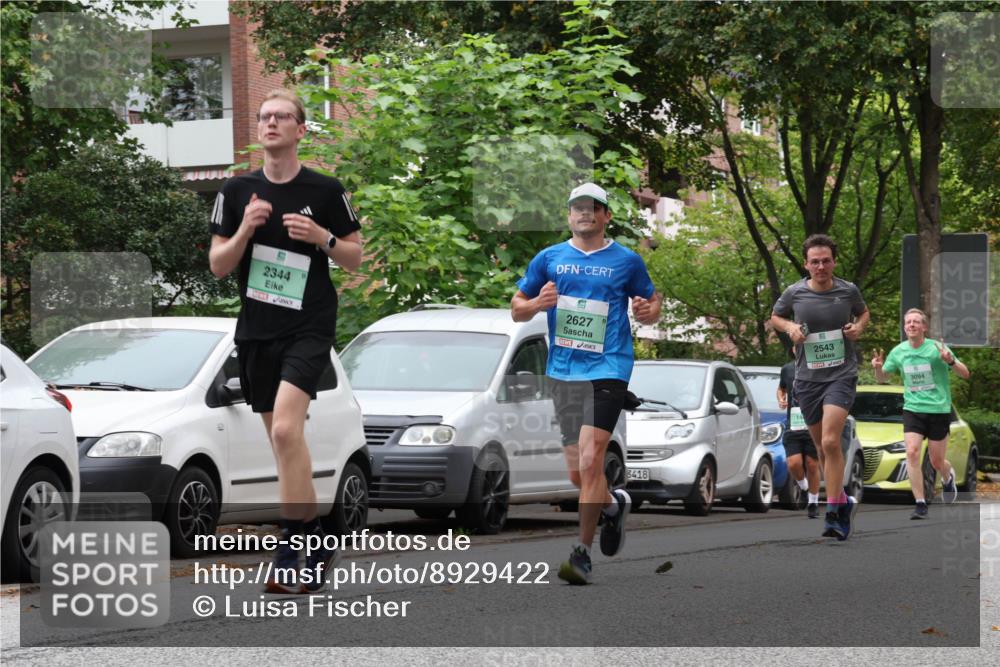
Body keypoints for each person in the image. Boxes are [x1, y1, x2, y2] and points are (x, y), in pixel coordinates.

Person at [209, 89, 363, 593]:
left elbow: (355, 258)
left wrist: (323, 238)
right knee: (285, 446)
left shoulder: (324, 190)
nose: (271, 123)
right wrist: (246, 231)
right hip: (258, 329)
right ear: (258, 129)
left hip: (309, 325)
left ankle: (289, 547)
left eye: (282, 117)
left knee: (284, 434)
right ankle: (316, 541)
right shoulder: (236, 192)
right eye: (264, 117)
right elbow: (218, 264)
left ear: (300, 129)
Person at [511, 182, 662, 584]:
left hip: (609, 367)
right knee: (578, 475)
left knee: (592, 459)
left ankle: (582, 553)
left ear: (605, 216)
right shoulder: (549, 258)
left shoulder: (626, 261)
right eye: (577, 208)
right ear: (568, 216)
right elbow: (516, 310)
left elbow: (652, 302)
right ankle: (612, 506)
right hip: (563, 372)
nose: (584, 214)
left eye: (592, 208)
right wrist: (535, 305)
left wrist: (648, 312)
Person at [771, 234, 869, 541]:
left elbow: (863, 313)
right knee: (820, 448)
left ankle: (833, 508)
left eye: (826, 260)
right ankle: (843, 502)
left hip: (840, 375)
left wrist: (858, 328)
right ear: (806, 264)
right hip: (807, 380)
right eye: (815, 261)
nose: (821, 266)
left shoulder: (847, 290)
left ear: (833, 262)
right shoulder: (794, 293)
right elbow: (776, 317)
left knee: (830, 442)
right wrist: (790, 328)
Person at [871, 308, 970, 518]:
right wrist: (878, 369)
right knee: (912, 452)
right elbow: (882, 378)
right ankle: (920, 502)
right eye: (908, 322)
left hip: (938, 410)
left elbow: (965, 373)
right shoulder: (899, 352)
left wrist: (950, 361)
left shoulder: (937, 348)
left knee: (936, 461)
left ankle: (947, 477)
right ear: (905, 327)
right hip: (913, 409)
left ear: (924, 327)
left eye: (916, 322)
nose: (912, 325)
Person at [777, 358, 822, 518]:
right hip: (794, 423)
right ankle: (804, 487)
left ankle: (813, 503)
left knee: (812, 465)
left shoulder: (819, 367)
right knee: (793, 463)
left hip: (814, 423)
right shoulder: (788, 369)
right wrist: (781, 398)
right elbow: (781, 388)